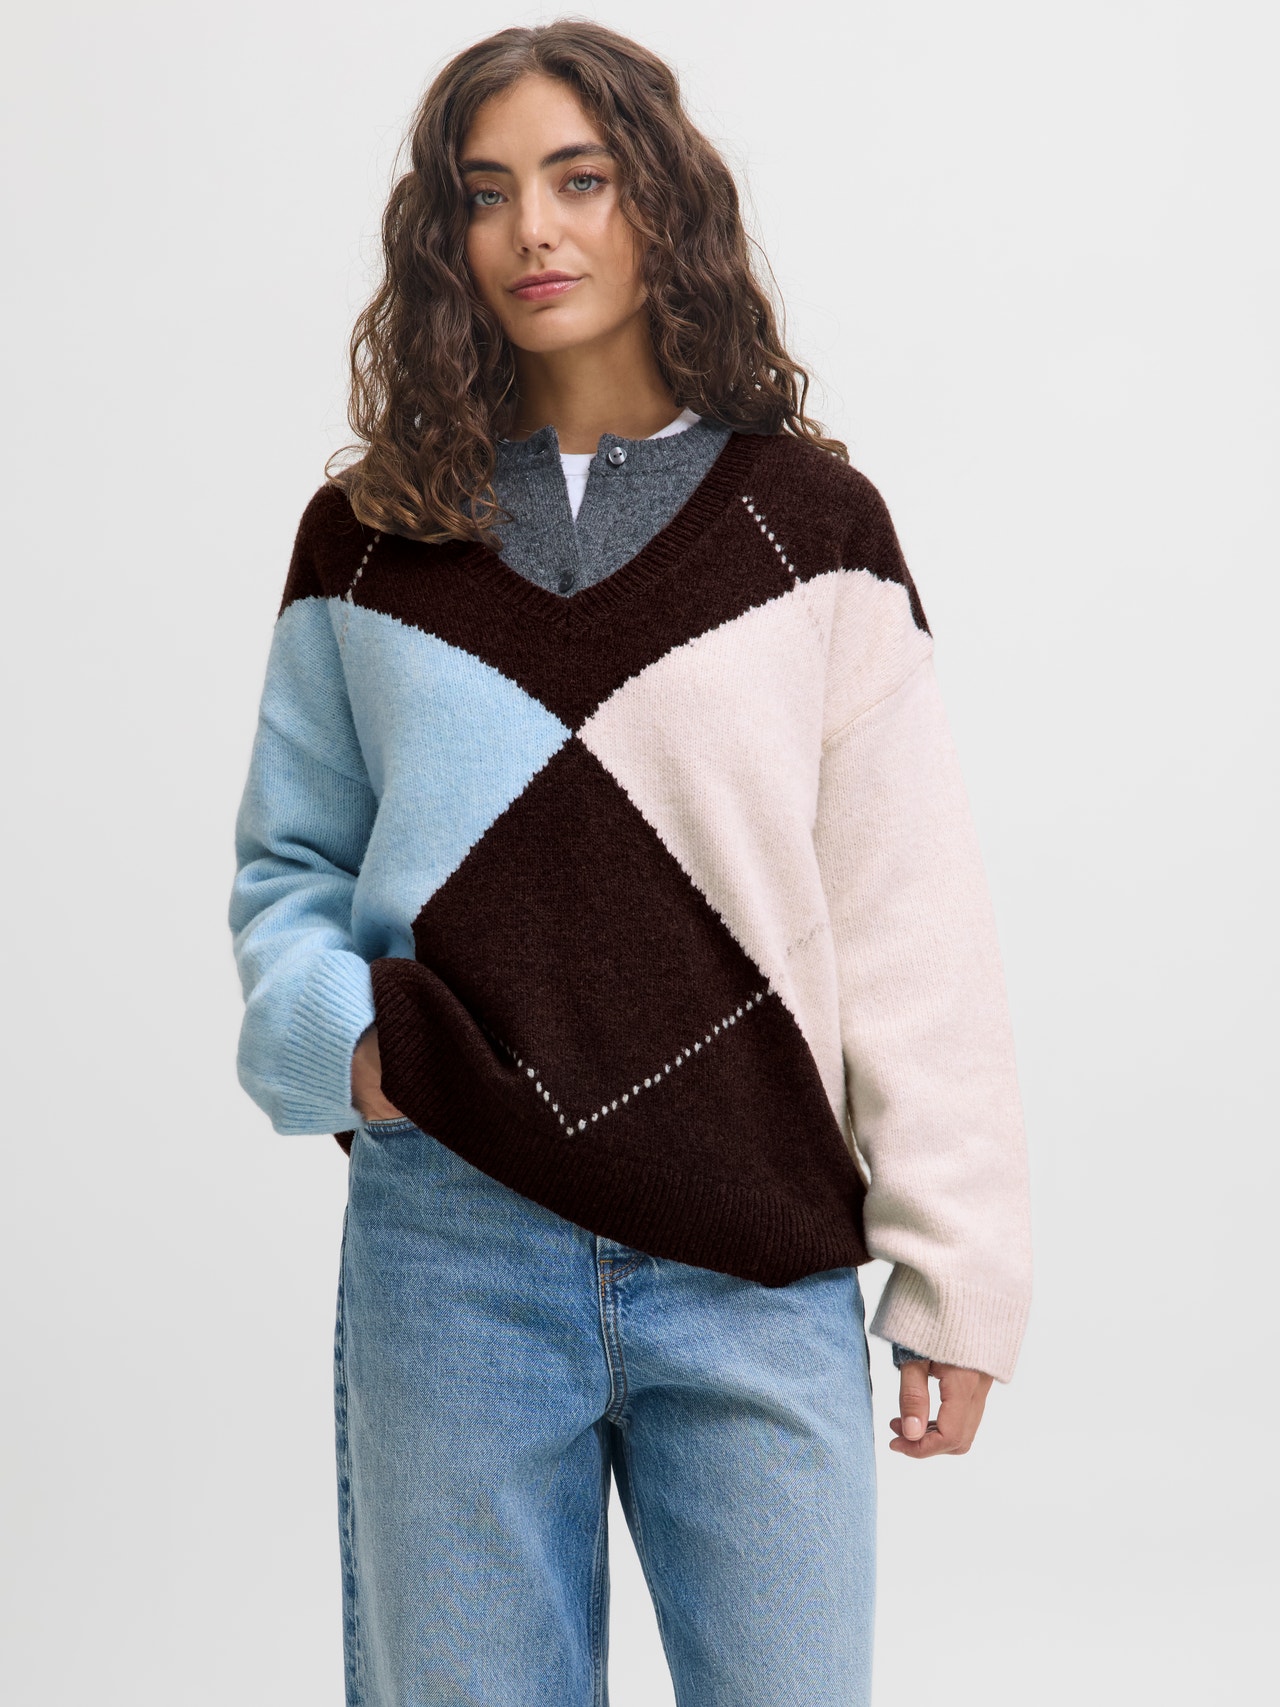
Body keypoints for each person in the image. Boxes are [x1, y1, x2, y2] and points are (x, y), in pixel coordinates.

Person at [228, 19, 1033, 1706]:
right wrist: (337, 1044)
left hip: (756, 1253)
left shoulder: (813, 529)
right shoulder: (364, 539)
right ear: (443, 235)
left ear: (661, 200)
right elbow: (291, 857)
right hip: (451, 1247)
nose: (534, 230)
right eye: (487, 192)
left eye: (580, 180)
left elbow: (908, 916)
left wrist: (957, 1272)